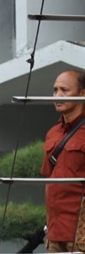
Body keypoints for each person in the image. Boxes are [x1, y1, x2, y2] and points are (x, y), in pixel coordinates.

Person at [41, 69, 85, 252]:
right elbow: (48, 180)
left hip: (80, 233)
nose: (57, 95)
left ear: (82, 94)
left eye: (64, 90)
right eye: (55, 90)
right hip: (55, 230)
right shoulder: (53, 132)